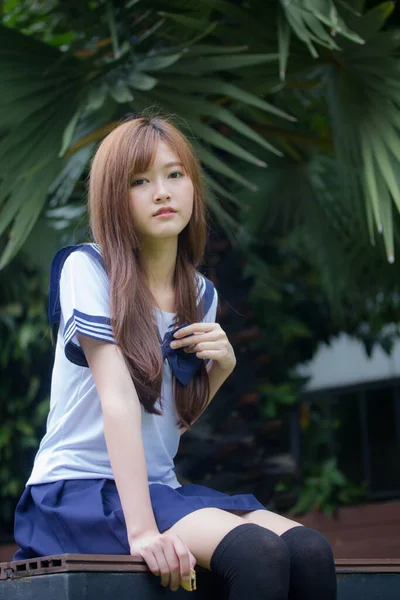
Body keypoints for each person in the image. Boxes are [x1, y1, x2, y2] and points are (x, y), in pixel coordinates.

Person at [13, 115, 337, 599]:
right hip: (78, 491)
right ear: (112, 199)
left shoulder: (199, 294)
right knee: (258, 551)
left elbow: (166, 425)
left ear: (192, 185)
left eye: (174, 174)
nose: (162, 192)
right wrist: (143, 533)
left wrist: (221, 371)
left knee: (311, 549)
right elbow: (119, 398)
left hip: (158, 488)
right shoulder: (87, 268)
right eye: (139, 181)